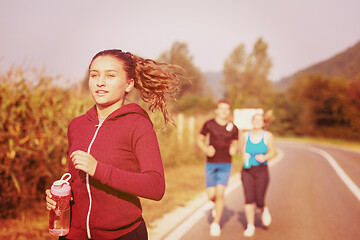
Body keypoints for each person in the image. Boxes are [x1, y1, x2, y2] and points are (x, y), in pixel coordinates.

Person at [45, 49, 182, 240]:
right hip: (73, 235)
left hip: (122, 235)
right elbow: (77, 178)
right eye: (94, 75)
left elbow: (155, 186)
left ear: (128, 84)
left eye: (110, 76)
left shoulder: (137, 125)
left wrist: (99, 169)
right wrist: (60, 192)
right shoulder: (76, 125)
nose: (100, 82)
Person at [197, 99, 239, 237]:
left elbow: (235, 143)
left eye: (226, 109)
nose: (224, 112)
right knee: (211, 195)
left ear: (229, 111)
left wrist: (234, 148)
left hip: (225, 164)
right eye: (221, 109)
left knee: (220, 194)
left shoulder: (234, 127)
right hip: (211, 164)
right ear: (216, 110)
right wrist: (205, 149)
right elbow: (200, 140)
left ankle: (216, 223)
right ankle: (216, 206)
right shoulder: (209, 124)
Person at [240, 112, 275, 237]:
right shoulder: (245, 135)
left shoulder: (268, 136)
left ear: (263, 123)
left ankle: (263, 208)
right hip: (247, 170)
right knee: (249, 198)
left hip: (262, 170)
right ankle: (250, 226)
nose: (257, 122)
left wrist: (265, 157)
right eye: (255, 120)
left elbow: (273, 152)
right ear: (252, 121)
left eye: (260, 120)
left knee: (259, 198)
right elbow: (241, 150)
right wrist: (244, 156)